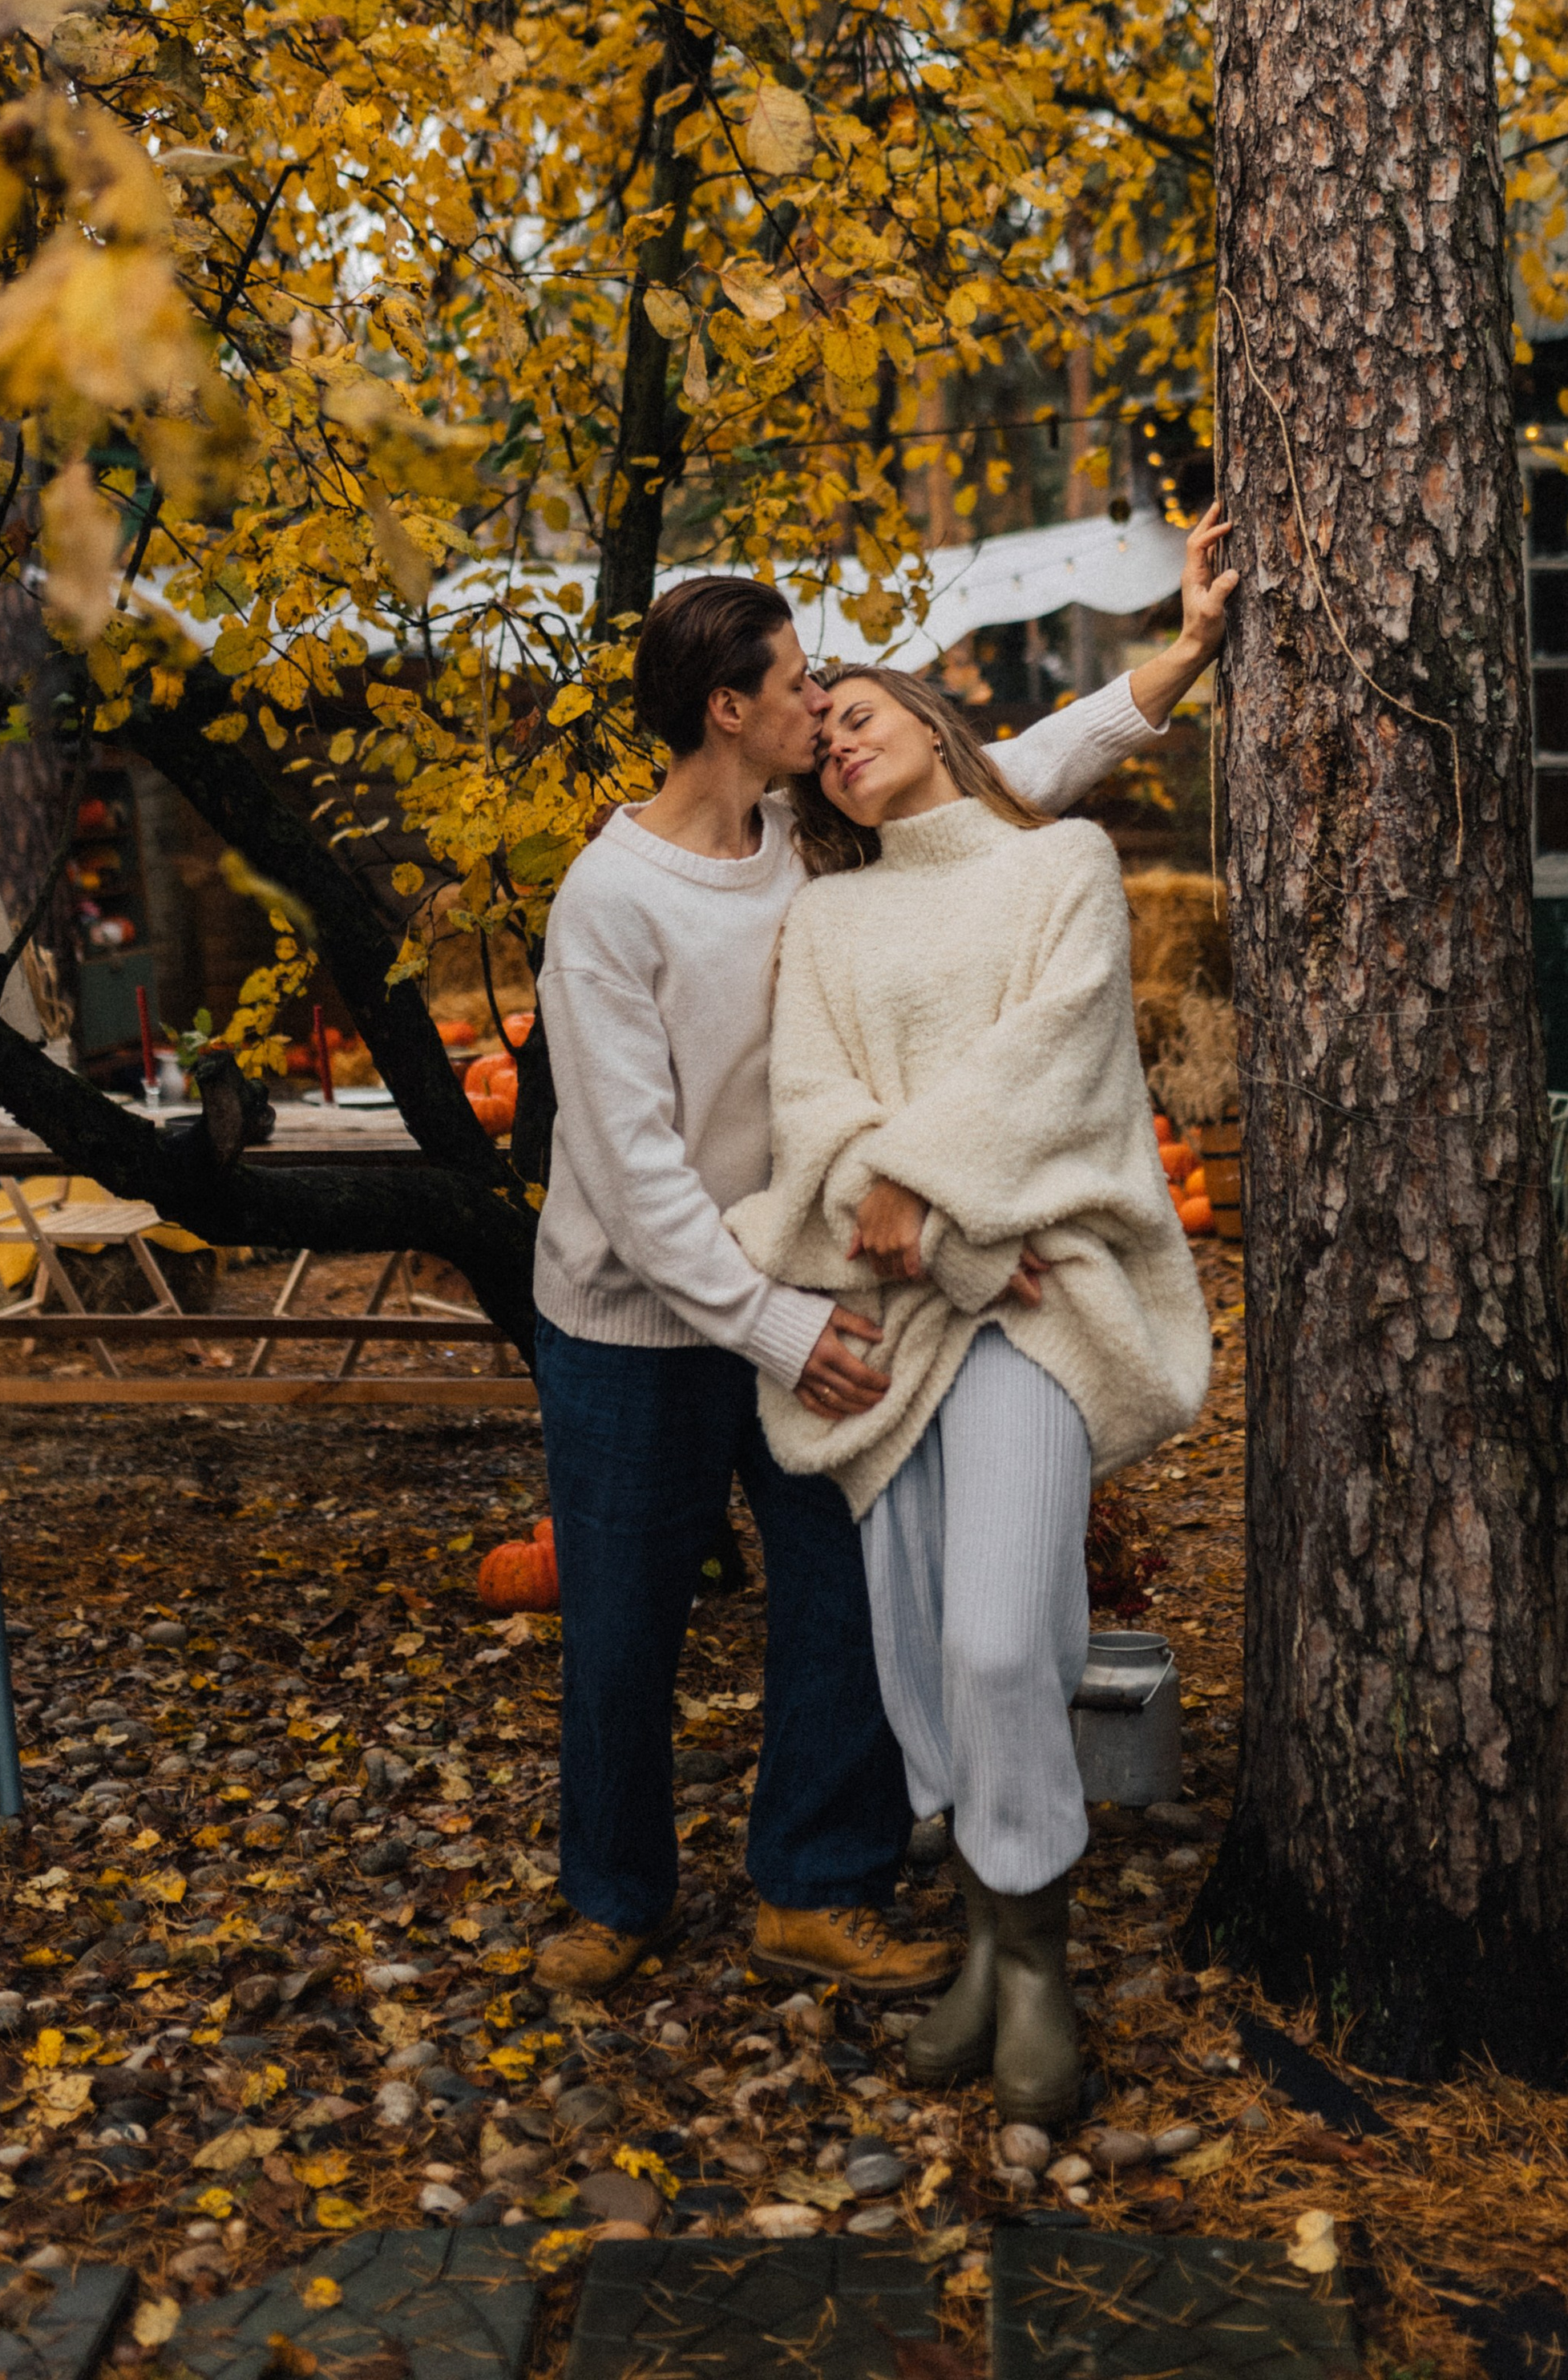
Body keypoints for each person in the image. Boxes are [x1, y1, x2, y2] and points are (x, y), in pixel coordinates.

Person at [530, 514, 1235, 1999]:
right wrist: (774, 1329)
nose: (820, 703)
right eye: (798, 683)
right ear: (731, 708)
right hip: (635, 1324)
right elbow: (632, 1177)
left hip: (822, 1281)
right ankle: (615, 1894)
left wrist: (1166, 669)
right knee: (621, 1619)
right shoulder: (607, 904)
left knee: (838, 1597)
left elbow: (996, 789)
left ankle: (816, 1881)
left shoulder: (808, 846)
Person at [725, 665, 1210, 2122]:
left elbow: (1057, 1065)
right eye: (820, 745)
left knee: (1004, 1642)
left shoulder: (1058, 865)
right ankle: (992, 1955)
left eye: (859, 714)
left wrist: (921, 1198)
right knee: (925, 1650)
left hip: (1039, 1306)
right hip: (902, 1325)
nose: (839, 745)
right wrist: (921, 1232)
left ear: (937, 723)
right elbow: (811, 1109)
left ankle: (1045, 1965)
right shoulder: (826, 915)